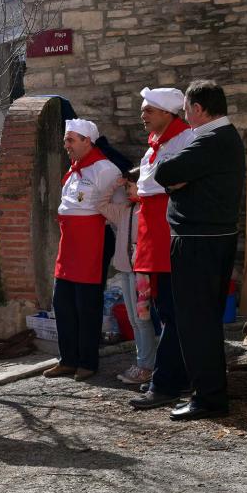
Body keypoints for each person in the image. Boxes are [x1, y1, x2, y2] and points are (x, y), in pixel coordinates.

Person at [152, 80, 245, 421]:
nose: (185, 115)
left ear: (200, 109)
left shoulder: (210, 140)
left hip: (198, 243)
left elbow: (166, 171)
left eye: (187, 109)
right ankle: (209, 392)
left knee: (196, 321)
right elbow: (174, 176)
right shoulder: (222, 139)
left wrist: (178, 181)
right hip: (210, 239)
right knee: (203, 320)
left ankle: (208, 398)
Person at [126, 87, 196, 410]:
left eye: (149, 110)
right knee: (164, 310)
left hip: (168, 238)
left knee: (171, 312)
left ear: (168, 113)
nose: (143, 114)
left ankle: (165, 383)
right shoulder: (154, 146)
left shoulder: (184, 139)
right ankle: (177, 378)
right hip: (153, 240)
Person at [42, 119, 121, 381]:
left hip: (93, 241)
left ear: (88, 141)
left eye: (71, 140)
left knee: (87, 304)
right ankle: (68, 359)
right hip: (70, 244)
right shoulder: (74, 170)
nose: (66, 145)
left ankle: (87, 361)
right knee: (62, 302)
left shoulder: (104, 169)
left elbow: (118, 207)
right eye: (66, 140)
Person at [97, 169, 159, 385]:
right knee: (134, 321)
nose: (127, 191)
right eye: (126, 187)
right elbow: (100, 204)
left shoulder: (148, 210)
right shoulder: (124, 210)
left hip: (141, 273)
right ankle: (142, 362)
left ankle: (146, 366)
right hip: (125, 269)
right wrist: (116, 184)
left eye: (130, 187)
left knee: (143, 320)